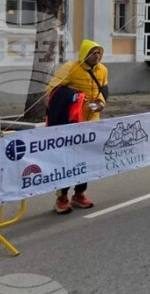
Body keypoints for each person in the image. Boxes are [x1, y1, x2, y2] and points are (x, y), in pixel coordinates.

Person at [46, 39, 108, 214]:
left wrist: (101, 103)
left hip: (91, 121)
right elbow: (52, 90)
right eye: (93, 53)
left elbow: (104, 89)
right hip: (70, 122)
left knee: (86, 160)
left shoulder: (103, 70)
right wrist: (74, 96)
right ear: (84, 54)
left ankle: (79, 193)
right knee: (67, 160)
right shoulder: (70, 68)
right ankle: (62, 197)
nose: (96, 56)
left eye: (99, 53)